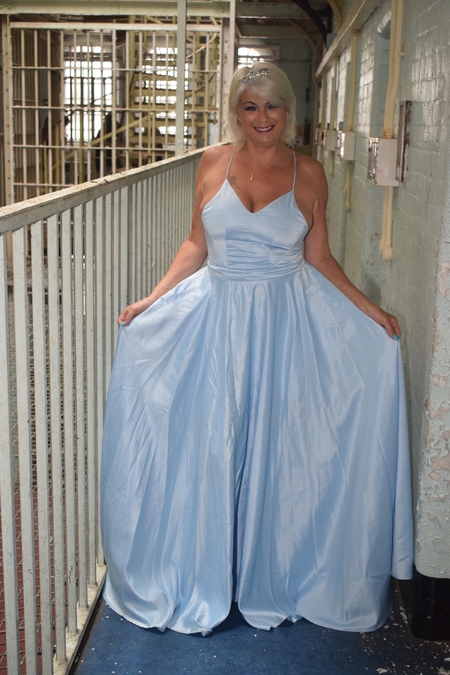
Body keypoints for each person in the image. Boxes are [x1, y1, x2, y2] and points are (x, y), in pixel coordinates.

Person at [100, 61, 413, 636]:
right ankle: (205, 567)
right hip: (215, 322)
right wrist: (152, 299)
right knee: (211, 441)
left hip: (282, 325)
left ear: (288, 112)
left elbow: (318, 256)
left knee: (277, 446)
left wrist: (369, 311)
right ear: (236, 113)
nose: (262, 117)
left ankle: (270, 567)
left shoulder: (308, 172)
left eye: (272, 106)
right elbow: (196, 244)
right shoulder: (212, 162)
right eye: (251, 106)